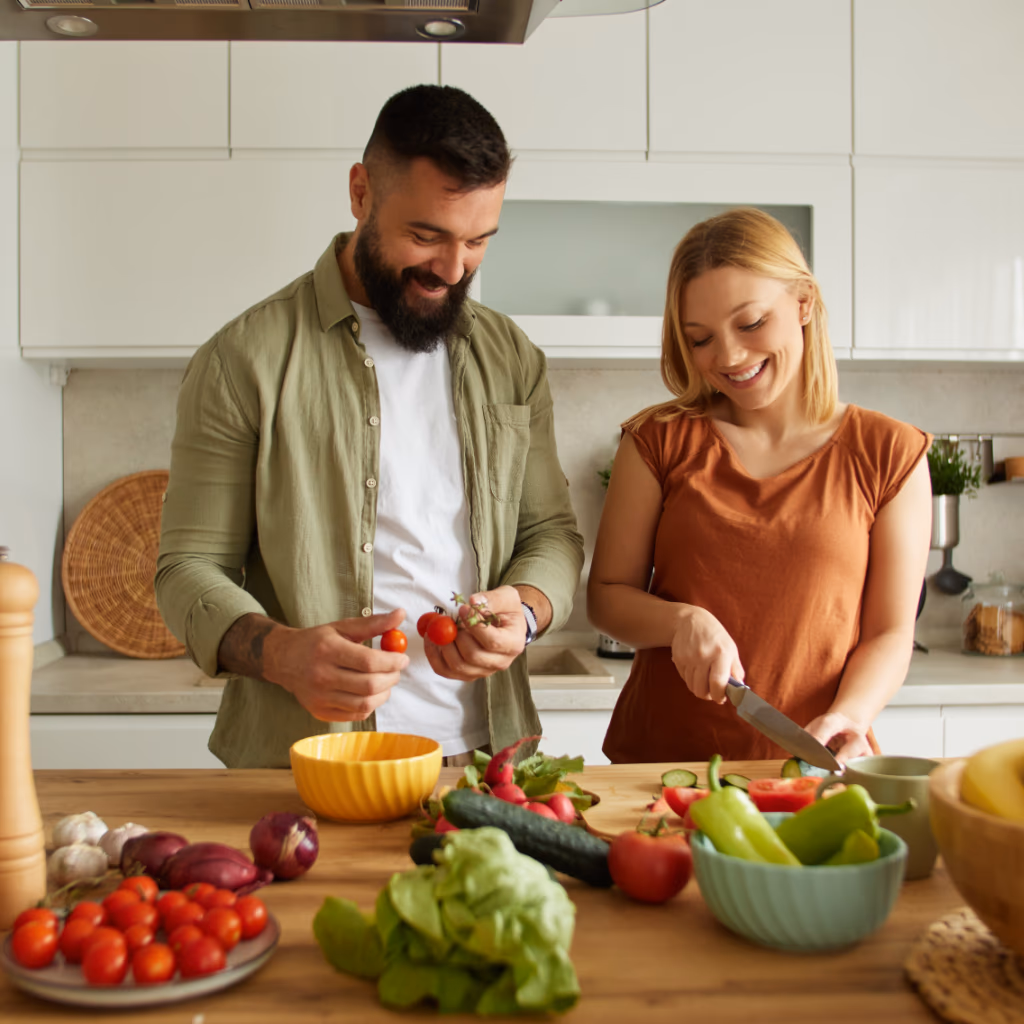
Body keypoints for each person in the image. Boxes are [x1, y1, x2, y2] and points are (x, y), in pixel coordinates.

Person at [156, 85, 584, 770]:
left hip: (489, 757)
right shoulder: (244, 360)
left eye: (478, 241)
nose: (453, 269)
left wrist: (527, 610)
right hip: (306, 762)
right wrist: (282, 653)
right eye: (426, 235)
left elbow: (551, 534)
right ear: (361, 193)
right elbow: (186, 567)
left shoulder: (512, 358)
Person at [588, 207, 932, 765]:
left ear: (804, 303)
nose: (728, 356)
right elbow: (606, 597)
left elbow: (890, 633)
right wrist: (681, 620)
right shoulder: (657, 441)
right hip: (661, 767)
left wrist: (852, 714)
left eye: (750, 324)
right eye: (700, 339)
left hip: (809, 767)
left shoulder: (889, 454)